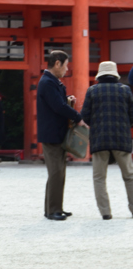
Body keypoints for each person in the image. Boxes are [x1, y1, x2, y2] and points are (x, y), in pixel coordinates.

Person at [79, 61, 133, 220]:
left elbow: (85, 116)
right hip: (122, 139)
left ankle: (106, 212)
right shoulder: (125, 90)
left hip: (99, 140)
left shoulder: (92, 91)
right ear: (115, 74)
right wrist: (124, 126)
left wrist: (96, 125)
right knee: (129, 176)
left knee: (99, 177)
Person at [36, 49, 86, 221]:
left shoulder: (51, 81)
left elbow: (58, 104)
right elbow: (58, 106)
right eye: (65, 65)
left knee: (58, 172)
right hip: (51, 134)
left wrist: (68, 101)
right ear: (57, 63)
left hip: (56, 133)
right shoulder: (48, 82)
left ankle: (54, 207)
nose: (67, 69)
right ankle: (53, 210)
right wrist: (77, 117)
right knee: (56, 172)